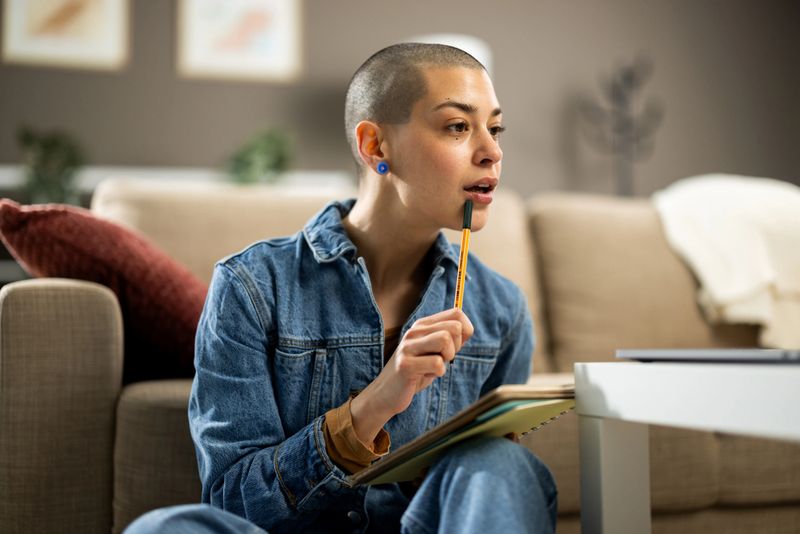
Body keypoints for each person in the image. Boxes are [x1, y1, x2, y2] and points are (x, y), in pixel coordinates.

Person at [125, 43, 557, 534]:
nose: (492, 152)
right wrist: (371, 408)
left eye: (495, 129)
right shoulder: (251, 288)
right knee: (167, 528)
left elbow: (485, 501)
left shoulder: (501, 310)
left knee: (502, 463)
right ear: (375, 146)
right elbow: (232, 501)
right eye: (458, 126)